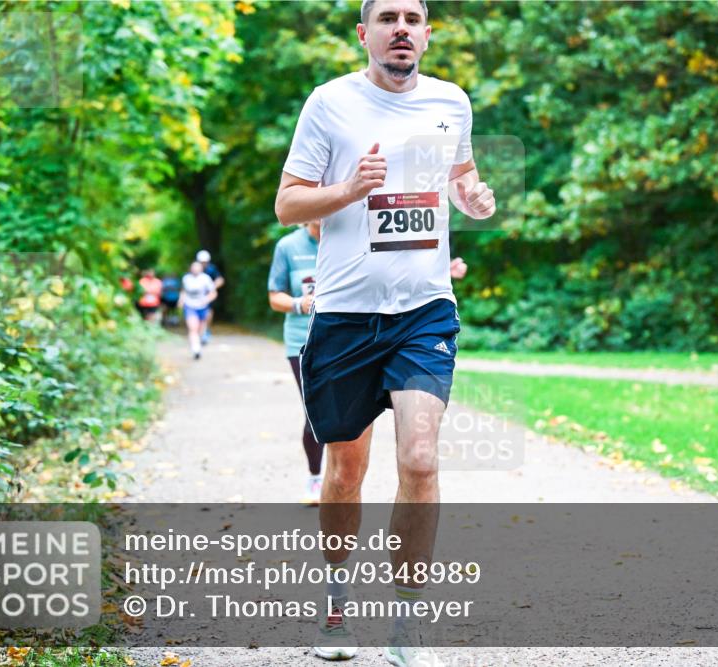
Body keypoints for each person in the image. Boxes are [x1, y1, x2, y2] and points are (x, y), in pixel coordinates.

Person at [274, 1, 495, 664]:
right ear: (364, 34)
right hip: (345, 314)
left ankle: (405, 624)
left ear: (427, 34)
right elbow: (288, 201)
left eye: (413, 18)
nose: (402, 28)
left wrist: (474, 197)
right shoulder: (329, 103)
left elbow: (459, 178)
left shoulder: (451, 102)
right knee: (345, 468)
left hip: (424, 310)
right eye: (388, 18)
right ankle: (336, 600)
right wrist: (348, 189)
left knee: (420, 459)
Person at [267, 220, 324, 506]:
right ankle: (315, 477)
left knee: (347, 411)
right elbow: (274, 296)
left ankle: (341, 479)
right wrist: (298, 304)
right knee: (315, 411)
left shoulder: (350, 238)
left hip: (346, 339)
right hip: (302, 341)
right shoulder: (288, 246)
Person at [179, 260, 217, 360]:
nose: (195, 269)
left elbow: (213, 293)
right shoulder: (186, 278)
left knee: (201, 329)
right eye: (193, 267)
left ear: (201, 269)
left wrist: (207, 299)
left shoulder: (206, 278)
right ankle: (196, 349)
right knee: (193, 328)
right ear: (190, 268)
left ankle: (198, 343)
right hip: (190, 306)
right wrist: (181, 300)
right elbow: (183, 291)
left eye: (197, 267)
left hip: (202, 307)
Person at [196, 249, 225, 344]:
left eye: (205, 262)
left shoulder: (212, 269)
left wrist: (212, 286)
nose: (203, 264)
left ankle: (205, 330)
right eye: (202, 262)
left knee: (208, 312)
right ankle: (198, 331)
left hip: (208, 295)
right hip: (196, 296)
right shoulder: (195, 269)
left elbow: (220, 280)